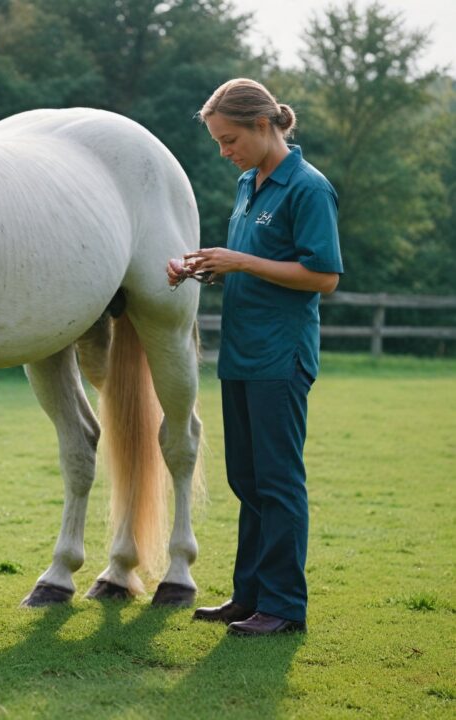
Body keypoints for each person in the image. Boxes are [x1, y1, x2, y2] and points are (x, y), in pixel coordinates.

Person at [168, 78, 343, 636]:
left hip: (280, 356)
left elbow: (324, 276)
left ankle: (284, 607)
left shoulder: (308, 188)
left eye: (229, 139)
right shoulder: (249, 183)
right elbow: (253, 263)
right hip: (241, 354)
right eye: (219, 142)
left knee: (277, 481)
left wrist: (239, 261)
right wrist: (204, 268)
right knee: (246, 479)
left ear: (263, 125)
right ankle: (250, 597)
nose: (225, 152)